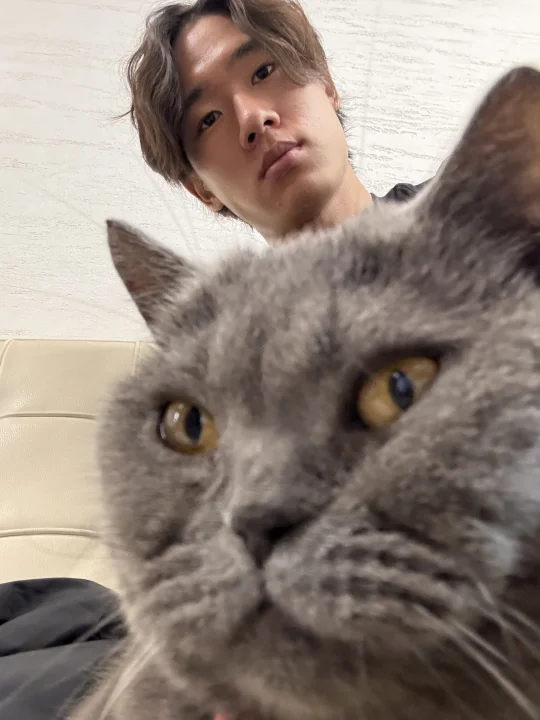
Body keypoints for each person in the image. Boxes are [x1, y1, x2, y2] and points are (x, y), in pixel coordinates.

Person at [124, 0, 431, 243]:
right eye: (209, 119)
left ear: (326, 85)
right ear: (202, 190)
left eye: (263, 73)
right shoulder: (230, 309)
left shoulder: (459, 214)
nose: (252, 119)